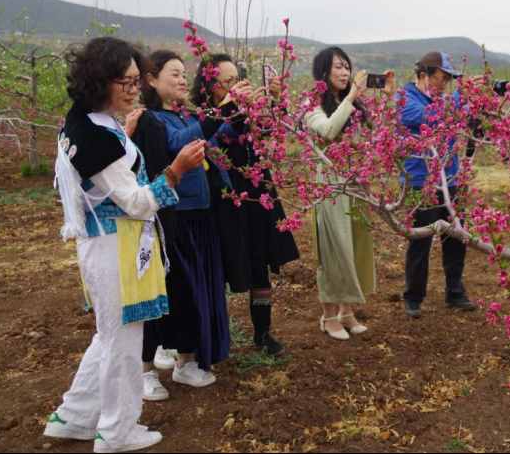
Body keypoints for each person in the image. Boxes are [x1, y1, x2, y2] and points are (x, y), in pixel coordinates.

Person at [43, 37, 204, 452]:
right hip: (118, 248)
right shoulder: (99, 138)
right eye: (127, 81)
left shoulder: (85, 121)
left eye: (138, 80)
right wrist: (174, 173)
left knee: (109, 335)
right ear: (101, 80)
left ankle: (75, 417)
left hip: (104, 244)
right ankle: (117, 430)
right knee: (124, 343)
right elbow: (134, 201)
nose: (135, 89)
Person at [138, 50, 235, 390]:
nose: (182, 80)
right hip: (171, 217)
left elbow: (206, 136)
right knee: (164, 294)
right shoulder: (150, 120)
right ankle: (146, 369)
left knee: (191, 293)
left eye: (184, 74)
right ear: (151, 80)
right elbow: (179, 145)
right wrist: (224, 110)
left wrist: (232, 110)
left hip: (198, 214)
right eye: (174, 74)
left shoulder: (183, 115)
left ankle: (187, 359)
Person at [191, 53, 300, 356]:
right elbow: (220, 135)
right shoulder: (205, 117)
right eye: (226, 81)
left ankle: (262, 333)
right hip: (227, 199)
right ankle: (213, 333)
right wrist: (232, 107)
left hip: (256, 195)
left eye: (236, 79)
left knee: (260, 264)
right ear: (210, 85)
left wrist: (277, 102)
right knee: (226, 265)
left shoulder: (245, 110)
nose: (233, 86)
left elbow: (268, 130)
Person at [304, 47, 379, 340]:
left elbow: (376, 136)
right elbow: (327, 131)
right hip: (331, 186)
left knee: (356, 247)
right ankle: (328, 316)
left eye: (347, 67)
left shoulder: (355, 106)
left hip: (357, 183)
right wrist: (351, 98)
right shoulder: (312, 104)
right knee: (335, 250)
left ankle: (347, 312)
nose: (345, 72)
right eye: (338, 67)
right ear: (323, 71)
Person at [397, 51, 477, 318]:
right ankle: (413, 297)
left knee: (455, 237)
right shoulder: (405, 98)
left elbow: (461, 116)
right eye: (442, 78)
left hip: (451, 177)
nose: (445, 84)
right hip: (421, 182)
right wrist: (462, 99)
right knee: (421, 239)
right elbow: (430, 118)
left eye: (449, 80)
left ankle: (455, 292)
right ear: (424, 75)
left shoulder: (443, 100)